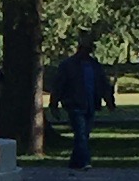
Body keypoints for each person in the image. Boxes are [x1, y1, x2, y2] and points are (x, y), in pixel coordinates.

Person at [47, 35, 118, 168]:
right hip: (75, 105)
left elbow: (103, 85)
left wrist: (109, 101)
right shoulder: (68, 66)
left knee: (84, 134)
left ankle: (74, 163)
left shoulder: (95, 66)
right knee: (80, 134)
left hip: (90, 105)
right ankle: (85, 162)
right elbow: (58, 85)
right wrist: (54, 104)